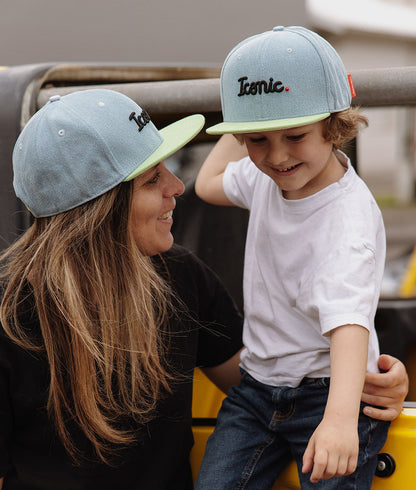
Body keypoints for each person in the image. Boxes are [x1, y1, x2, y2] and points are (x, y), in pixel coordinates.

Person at [0, 88, 407, 490]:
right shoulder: (8, 316)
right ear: (99, 210)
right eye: (151, 179)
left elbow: (266, 379)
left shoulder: (180, 274)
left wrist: (365, 389)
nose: (177, 187)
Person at [194, 26, 397, 489]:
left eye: (294, 134)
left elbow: (349, 326)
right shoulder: (266, 177)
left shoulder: (347, 219)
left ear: (333, 125)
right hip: (255, 390)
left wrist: (341, 422)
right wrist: (243, 117)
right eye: (257, 139)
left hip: (331, 392)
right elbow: (208, 182)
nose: (278, 155)